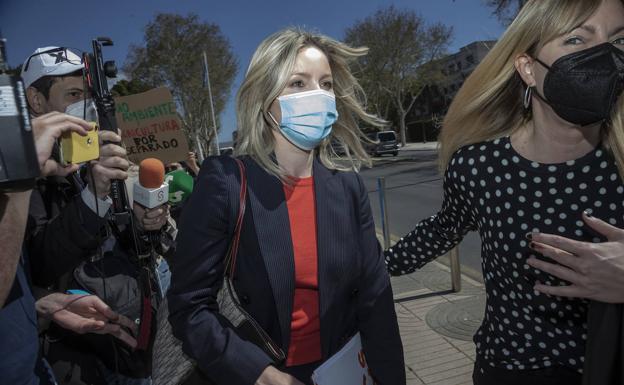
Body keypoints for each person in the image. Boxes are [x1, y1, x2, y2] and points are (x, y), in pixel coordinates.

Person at [384, 0, 624, 384]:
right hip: (510, 369)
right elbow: (443, 229)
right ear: (528, 68)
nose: (603, 56)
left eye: (617, 39)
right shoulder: (478, 167)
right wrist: (370, 271)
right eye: (577, 38)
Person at [167, 28, 405, 385]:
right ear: (266, 100)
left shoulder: (348, 186)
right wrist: (261, 375)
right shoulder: (225, 182)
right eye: (297, 83)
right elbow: (189, 308)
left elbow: (375, 305)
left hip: (341, 372)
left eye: (325, 84)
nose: (318, 95)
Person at [21, 46, 175, 384]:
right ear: (35, 100)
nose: (85, 105)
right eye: (73, 94)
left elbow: (120, 242)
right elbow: (40, 264)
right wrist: (93, 195)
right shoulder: (21, 178)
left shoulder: (90, 158)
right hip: (80, 356)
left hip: (133, 338)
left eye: (87, 95)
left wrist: (145, 223)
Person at [0, 113, 135, 384]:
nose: (83, 116)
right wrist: (20, 179)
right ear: (36, 100)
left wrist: (42, 302)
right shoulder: (26, 172)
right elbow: (39, 258)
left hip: (39, 364)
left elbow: (19, 271)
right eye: (73, 93)